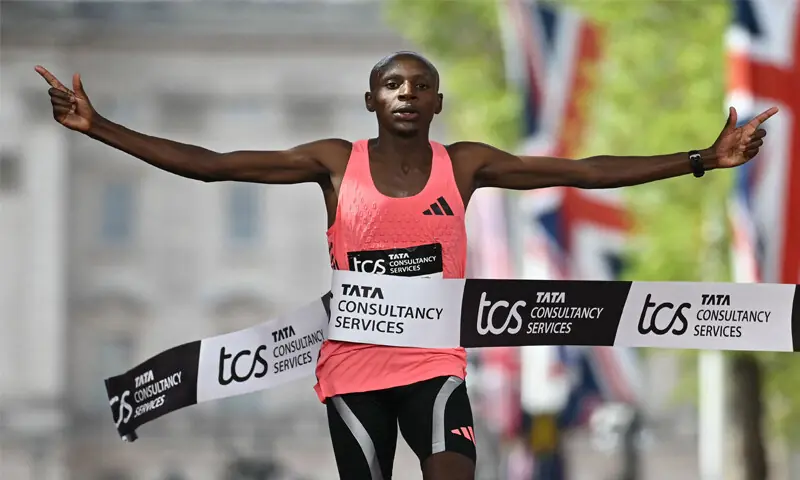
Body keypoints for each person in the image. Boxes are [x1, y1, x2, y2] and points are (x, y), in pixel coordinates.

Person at [35, 51, 776, 480]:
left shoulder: (466, 164)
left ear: (438, 102)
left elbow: (579, 170)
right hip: (354, 372)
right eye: (394, 85)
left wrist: (699, 160)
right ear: (370, 99)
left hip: (433, 366)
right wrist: (97, 127)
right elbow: (213, 166)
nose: (408, 95)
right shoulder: (333, 163)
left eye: (421, 86)